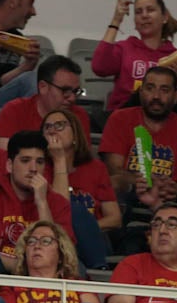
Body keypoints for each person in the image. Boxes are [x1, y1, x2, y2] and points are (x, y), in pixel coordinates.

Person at [0, 130, 74, 274]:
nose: (33, 169)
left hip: (43, 277)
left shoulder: (56, 202)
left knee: (77, 269)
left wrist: (42, 203)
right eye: (25, 161)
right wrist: (24, 267)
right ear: (9, 165)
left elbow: (61, 252)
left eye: (39, 162)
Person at [99, 67, 177, 211]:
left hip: (172, 197)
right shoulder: (120, 118)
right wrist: (148, 182)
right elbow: (114, 170)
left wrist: (175, 188)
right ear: (141, 92)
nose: (156, 96)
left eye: (164, 90)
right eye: (150, 88)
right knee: (113, 185)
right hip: (129, 191)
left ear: (176, 97)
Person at [93, 0, 177, 118]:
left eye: (150, 10)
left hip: (164, 118)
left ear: (164, 17)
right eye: (138, 12)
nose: (144, 15)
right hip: (126, 116)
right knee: (143, 94)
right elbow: (99, 67)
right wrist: (116, 21)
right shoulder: (125, 48)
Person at [44, 106, 122, 270]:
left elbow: (115, 218)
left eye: (59, 125)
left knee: (76, 212)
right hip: (53, 240)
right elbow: (60, 212)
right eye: (47, 127)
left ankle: (98, 268)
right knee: (71, 211)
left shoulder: (95, 168)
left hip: (93, 242)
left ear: (75, 134)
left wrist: (85, 229)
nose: (52, 131)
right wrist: (59, 160)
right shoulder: (39, 168)